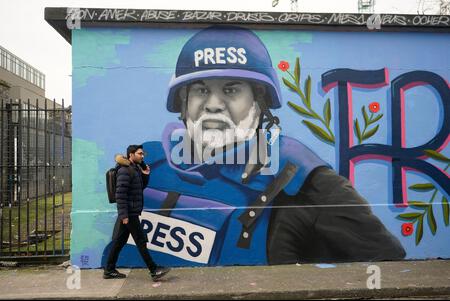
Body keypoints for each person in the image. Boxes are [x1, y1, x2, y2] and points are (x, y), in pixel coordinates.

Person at [104, 26, 405, 267]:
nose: (212, 104)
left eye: (231, 89)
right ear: (182, 104)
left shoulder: (300, 177)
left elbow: (385, 260)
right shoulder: (150, 163)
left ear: (260, 102)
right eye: (200, 89)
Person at [103, 144, 171, 280]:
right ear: (131, 155)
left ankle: (109, 270)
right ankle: (154, 270)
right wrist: (124, 215)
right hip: (129, 213)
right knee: (140, 241)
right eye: (140, 154)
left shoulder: (134, 169)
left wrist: (145, 175)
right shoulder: (124, 170)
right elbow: (120, 194)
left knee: (119, 241)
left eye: (142, 154)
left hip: (131, 211)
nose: (142, 156)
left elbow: (140, 187)